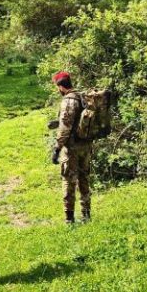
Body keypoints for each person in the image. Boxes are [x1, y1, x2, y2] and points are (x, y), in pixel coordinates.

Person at [51, 71, 92, 224]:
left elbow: (65, 128)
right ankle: (86, 215)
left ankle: (69, 219)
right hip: (86, 146)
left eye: (57, 87)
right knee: (84, 180)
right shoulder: (82, 97)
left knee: (68, 181)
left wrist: (57, 149)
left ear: (61, 86)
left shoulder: (68, 101)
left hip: (72, 148)